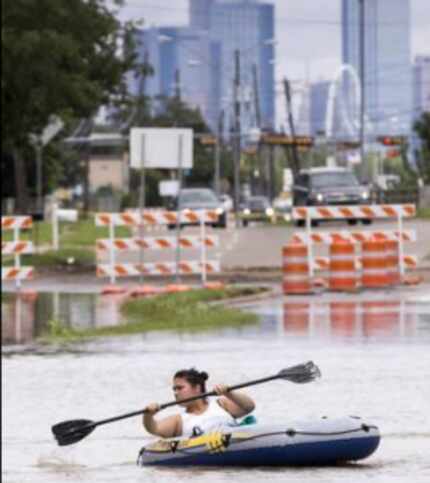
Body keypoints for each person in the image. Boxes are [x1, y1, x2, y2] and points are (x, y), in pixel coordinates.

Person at [143, 368, 255, 438]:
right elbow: (154, 429)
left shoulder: (221, 404)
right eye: (174, 389)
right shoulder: (178, 420)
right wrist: (148, 415)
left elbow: (249, 407)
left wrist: (228, 393)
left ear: (197, 388)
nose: (175, 393)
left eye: (180, 388)